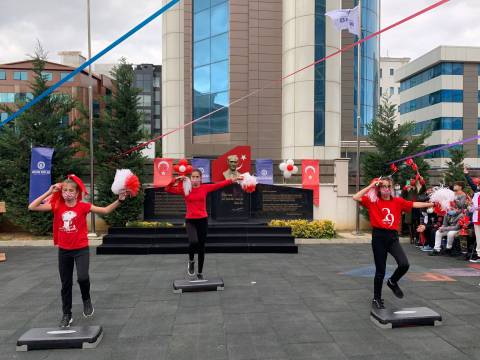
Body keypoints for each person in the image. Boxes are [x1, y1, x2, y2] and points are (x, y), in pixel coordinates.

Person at [28, 174, 127, 328]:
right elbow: (32, 207)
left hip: (81, 249)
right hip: (64, 251)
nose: (67, 193)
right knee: (65, 284)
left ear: (76, 193)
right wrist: (49, 192)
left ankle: (86, 300)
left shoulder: (83, 206)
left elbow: (105, 210)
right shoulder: (57, 205)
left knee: (82, 277)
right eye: (65, 190)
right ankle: (67, 314)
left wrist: (119, 200)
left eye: (70, 191)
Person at [353, 177, 434, 310]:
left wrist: (431, 204)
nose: (386, 189)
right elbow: (356, 197)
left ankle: (392, 281)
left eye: (388, 186)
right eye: (383, 186)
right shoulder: (372, 201)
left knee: (404, 264)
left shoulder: (397, 201)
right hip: (379, 237)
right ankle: (377, 298)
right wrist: (371, 185)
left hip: (392, 237)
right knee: (380, 270)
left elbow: (414, 204)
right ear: (379, 188)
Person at [165, 169, 242, 279]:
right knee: (193, 241)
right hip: (190, 220)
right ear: (190, 178)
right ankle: (191, 261)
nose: (195, 179)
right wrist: (175, 180)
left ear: (201, 178)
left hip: (202, 220)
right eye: (193, 177)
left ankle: (200, 272)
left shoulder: (205, 188)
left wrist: (233, 179)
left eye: (197, 177)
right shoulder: (185, 189)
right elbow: (167, 189)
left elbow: (219, 184)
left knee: (201, 246)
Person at [464, 166, 480, 262]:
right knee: (478, 237)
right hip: (476, 218)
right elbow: (472, 184)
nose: (477, 186)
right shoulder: (477, 192)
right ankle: (479, 254)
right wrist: (466, 174)